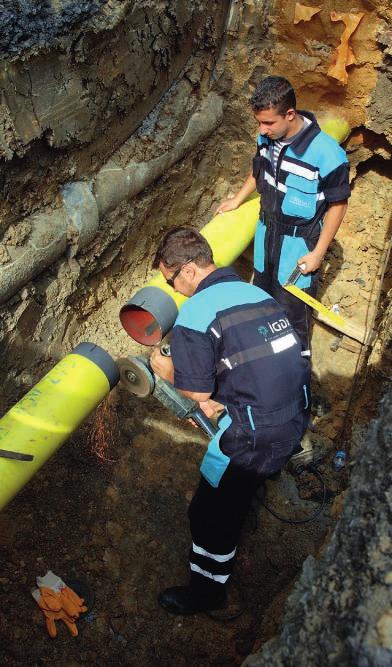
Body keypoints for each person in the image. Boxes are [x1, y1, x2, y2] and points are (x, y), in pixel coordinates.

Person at [150, 226, 311, 615]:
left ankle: (208, 593)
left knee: (208, 515)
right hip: (296, 416)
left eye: (171, 280)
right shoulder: (255, 292)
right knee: (240, 487)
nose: (174, 289)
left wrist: (165, 369)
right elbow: (252, 358)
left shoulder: (196, 313)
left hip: (256, 436)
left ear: (187, 270)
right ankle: (252, 483)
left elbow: (197, 393)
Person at [215, 76, 350, 356]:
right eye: (259, 123)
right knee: (261, 297)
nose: (262, 130)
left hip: (299, 244)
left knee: (292, 311)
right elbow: (258, 171)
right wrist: (237, 199)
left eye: (269, 123)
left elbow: (338, 205)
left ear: (290, 114)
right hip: (267, 232)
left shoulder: (328, 154)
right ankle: (262, 354)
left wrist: (318, 254)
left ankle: (295, 371)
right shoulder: (266, 140)